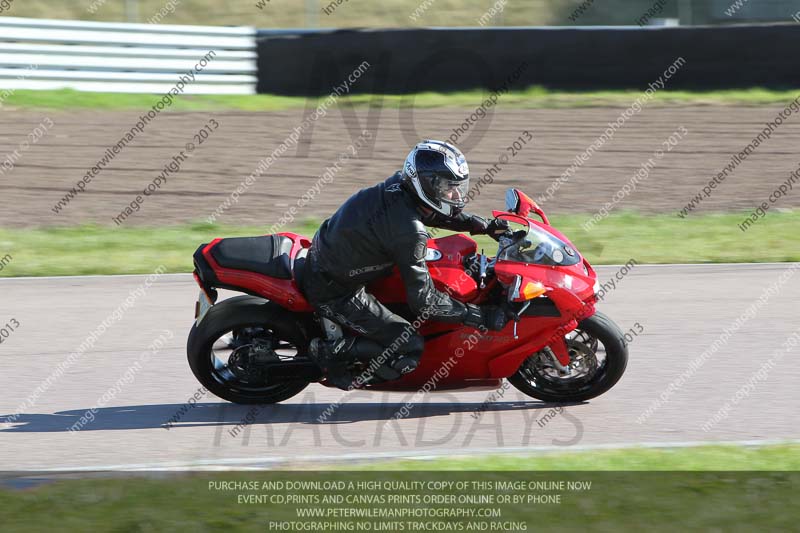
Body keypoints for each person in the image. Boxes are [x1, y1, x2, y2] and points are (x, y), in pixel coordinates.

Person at [301, 140, 511, 389]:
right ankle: (333, 351)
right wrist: (476, 316)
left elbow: (432, 213)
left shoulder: (400, 188)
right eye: (448, 187)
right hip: (334, 288)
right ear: (426, 183)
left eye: (457, 186)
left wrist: (482, 225)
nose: (455, 194)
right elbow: (424, 301)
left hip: (334, 257)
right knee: (410, 345)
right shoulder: (409, 231)